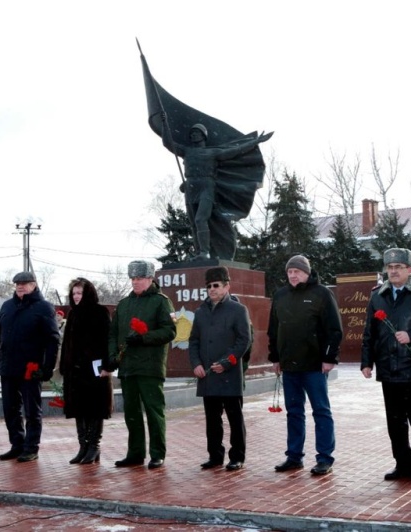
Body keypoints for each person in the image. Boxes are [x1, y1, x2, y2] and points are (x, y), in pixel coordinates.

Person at [361, 249, 411, 483]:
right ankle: (402, 463)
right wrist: (366, 362)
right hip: (388, 368)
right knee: (394, 421)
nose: (394, 271)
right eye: (390, 267)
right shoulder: (378, 295)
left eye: (399, 266)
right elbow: (370, 332)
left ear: (410, 269)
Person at [267, 255, 342, 476]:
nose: (292, 275)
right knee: (294, 412)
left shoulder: (322, 294)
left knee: (321, 411)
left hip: (314, 366)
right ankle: (294, 456)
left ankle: (325, 458)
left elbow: (334, 329)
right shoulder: (280, 295)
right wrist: (276, 358)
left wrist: (329, 358)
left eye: (297, 271)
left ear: (307, 273)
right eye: (289, 272)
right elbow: (273, 330)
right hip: (289, 366)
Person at [162, 119, 273, 260]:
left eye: (196, 133)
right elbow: (167, 143)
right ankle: (199, 253)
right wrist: (165, 123)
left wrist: (256, 141)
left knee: (200, 219)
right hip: (190, 188)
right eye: (192, 133)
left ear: (203, 135)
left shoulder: (212, 153)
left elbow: (236, 150)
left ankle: (204, 252)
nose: (193, 135)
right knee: (193, 223)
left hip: (206, 187)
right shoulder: (187, 151)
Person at [107, 260, 176, 469]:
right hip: (127, 367)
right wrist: (112, 356)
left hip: (150, 367)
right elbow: (113, 333)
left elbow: (170, 331)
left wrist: (144, 338)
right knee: (131, 413)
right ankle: (135, 453)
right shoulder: (124, 304)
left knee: (154, 412)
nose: (135, 282)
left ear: (150, 278)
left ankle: (157, 453)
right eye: (133, 279)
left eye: (139, 279)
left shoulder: (161, 302)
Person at [0, 271, 60, 463]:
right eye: (17, 283)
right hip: (8, 366)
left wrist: (47, 368)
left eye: (25, 283)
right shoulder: (7, 306)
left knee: (32, 410)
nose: (20, 286)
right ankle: (17, 444)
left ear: (34, 285)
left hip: (31, 367)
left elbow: (53, 340)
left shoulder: (43, 307)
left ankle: (31, 447)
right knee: (10, 409)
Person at [189, 267, 251, 471]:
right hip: (207, 375)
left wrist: (226, 362)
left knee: (235, 418)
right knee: (212, 419)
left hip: (229, 373)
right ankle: (215, 456)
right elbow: (194, 341)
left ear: (227, 286)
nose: (212, 289)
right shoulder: (200, 312)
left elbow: (244, 340)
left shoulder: (238, 310)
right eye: (209, 286)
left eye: (216, 285)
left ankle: (237, 457)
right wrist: (196, 363)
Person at [59, 278, 113, 465]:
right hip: (75, 371)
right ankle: (83, 446)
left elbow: (108, 340)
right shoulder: (73, 314)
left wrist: (108, 365)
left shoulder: (100, 312)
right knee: (79, 408)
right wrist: (65, 365)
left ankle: (94, 446)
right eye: (74, 293)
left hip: (95, 371)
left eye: (79, 293)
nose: (76, 297)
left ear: (88, 293)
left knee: (94, 408)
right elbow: (67, 343)